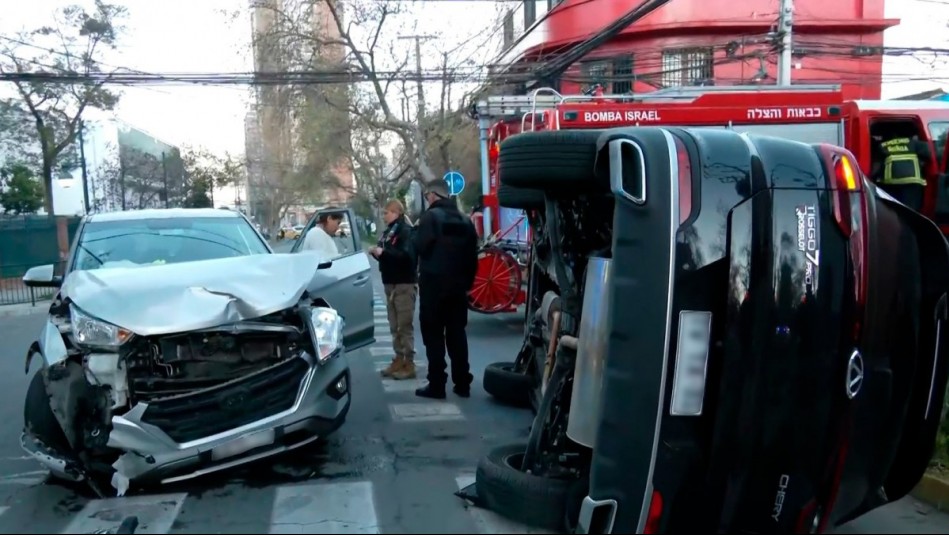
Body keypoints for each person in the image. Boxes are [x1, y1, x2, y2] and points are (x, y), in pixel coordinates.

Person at [413, 179, 480, 399]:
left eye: (426, 196)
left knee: (433, 335)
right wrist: (467, 284)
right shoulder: (465, 220)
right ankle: (462, 383)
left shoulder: (430, 218)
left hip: (433, 287)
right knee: (457, 334)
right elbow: (473, 257)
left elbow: (420, 247)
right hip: (458, 288)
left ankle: (437, 384)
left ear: (433, 195)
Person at [369, 200, 418, 381]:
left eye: (387, 212)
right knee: (394, 325)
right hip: (390, 282)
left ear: (397, 212)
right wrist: (377, 254)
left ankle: (409, 362)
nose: (384, 215)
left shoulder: (405, 231)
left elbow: (407, 257)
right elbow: (389, 258)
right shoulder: (389, 231)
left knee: (404, 325)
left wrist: (384, 253)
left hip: (403, 283)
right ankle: (398, 358)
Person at [871, 134, 930, 211]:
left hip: (891, 184)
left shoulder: (883, 145)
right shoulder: (916, 143)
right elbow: (929, 156)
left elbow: (877, 167)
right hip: (912, 182)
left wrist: (871, 180)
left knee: (894, 210)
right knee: (911, 211)